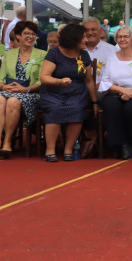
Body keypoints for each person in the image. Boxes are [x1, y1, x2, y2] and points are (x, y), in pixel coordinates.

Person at [39, 23, 97, 162]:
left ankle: (68, 149)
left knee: (76, 108)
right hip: (54, 90)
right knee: (55, 108)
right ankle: (50, 149)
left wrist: (95, 101)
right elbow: (44, 77)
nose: (86, 40)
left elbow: (89, 81)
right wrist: (59, 81)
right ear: (73, 38)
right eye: (83, 37)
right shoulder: (54, 53)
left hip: (76, 92)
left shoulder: (83, 55)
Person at [0, 20, 45, 158]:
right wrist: (4, 86)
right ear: (18, 36)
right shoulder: (9, 55)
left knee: (13, 101)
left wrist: (25, 89)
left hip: (30, 93)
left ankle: (8, 141)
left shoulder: (42, 55)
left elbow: (42, 81)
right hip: (8, 90)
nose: (30, 37)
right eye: (27, 33)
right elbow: (0, 80)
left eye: (33, 34)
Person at [98, 26, 132, 160]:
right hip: (116, 92)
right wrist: (123, 90)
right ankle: (118, 144)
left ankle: (128, 143)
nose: (122, 39)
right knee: (111, 106)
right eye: (120, 37)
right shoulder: (111, 57)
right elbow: (105, 82)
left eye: (126, 36)